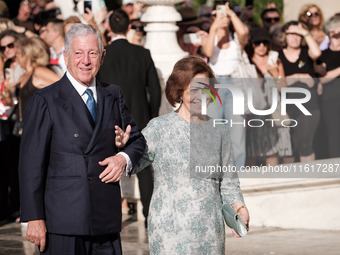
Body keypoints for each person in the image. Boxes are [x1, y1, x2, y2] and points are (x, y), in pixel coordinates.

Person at [18, 24, 146, 255]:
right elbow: (30, 163)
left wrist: (122, 157)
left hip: (105, 220)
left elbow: (137, 140)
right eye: (78, 53)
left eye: (92, 53)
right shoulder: (45, 99)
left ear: (102, 56)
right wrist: (34, 217)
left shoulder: (113, 94)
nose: (85, 61)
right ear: (65, 57)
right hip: (63, 223)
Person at [127, 56, 249, 254]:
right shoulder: (159, 128)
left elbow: (228, 182)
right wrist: (122, 145)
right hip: (169, 231)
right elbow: (132, 164)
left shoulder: (219, 131)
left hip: (209, 231)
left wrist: (240, 208)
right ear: (179, 91)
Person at [97, 9, 161, 227]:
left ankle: (108, 216)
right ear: (128, 27)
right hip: (140, 118)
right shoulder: (143, 53)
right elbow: (155, 89)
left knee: (107, 166)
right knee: (143, 168)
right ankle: (149, 216)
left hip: (108, 119)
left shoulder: (102, 54)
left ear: (108, 27)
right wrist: (152, 116)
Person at [202, 1, 249, 171]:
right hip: (216, 85)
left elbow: (243, 33)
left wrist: (232, 14)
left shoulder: (236, 39)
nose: (223, 16)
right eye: (219, 12)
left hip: (235, 85)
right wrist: (214, 26)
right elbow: (207, 52)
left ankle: (238, 174)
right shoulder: (210, 37)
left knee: (237, 134)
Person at [246, 27, 292, 165]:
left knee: (274, 151)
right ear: (252, 44)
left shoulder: (275, 61)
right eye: (257, 43)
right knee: (252, 150)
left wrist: (275, 73)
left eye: (264, 43)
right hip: (256, 108)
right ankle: (249, 185)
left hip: (274, 108)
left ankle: (275, 183)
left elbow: (283, 88)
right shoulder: (247, 62)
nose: (261, 46)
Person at [278, 21, 321, 162]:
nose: (295, 37)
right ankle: (290, 182)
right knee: (289, 148)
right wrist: (298, 76)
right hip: (287, 106)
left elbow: (316, 53)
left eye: (298, 34)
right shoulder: (277, 55)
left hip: (309, 106)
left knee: (305, 145)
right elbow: (278, 82)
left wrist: (306, 33)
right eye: (291, 34)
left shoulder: (306, 52)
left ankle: (310, 181)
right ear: (285, 35)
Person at [318, 15, 340, 157]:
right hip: (331, 99)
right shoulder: (323, 55)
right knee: (334, 133)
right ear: (331, 32)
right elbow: (321, 79)